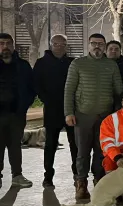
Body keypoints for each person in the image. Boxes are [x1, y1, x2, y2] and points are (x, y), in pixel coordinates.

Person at [65, 33, 123, 200]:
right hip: (83, 114)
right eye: (94, 43)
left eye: (100, 44)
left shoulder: (111, 65)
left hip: (106, 116)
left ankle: (99, 181)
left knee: (101, 151)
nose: (97, 46)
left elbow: (118, 90)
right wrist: (68, 112)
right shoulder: (77, 64)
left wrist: (118, 114)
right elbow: (69, 90)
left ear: (104, 46)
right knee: (82, 152)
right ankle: (81, 183)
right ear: (88, 45)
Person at [34, 34, 78, 187]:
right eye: (56, 43)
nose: (59, 46)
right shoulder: (41, 63)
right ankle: (48, 176)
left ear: (66, 46)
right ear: (50, 44)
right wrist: (47, 100)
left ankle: (77, 174)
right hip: (52, 109)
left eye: (63, 44)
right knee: (50, 144)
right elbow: (37, 85)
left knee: (75, 144)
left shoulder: (72, 63)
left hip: (71, 109)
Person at [0, 33, 35, 188]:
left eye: (8, 43)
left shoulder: (23, 66)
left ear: (13, 46)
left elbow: (31, 88)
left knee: (15, 146)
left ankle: (17, 175)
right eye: (1, 43)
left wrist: (23, 107)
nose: (5, 46)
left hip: (16, 114)